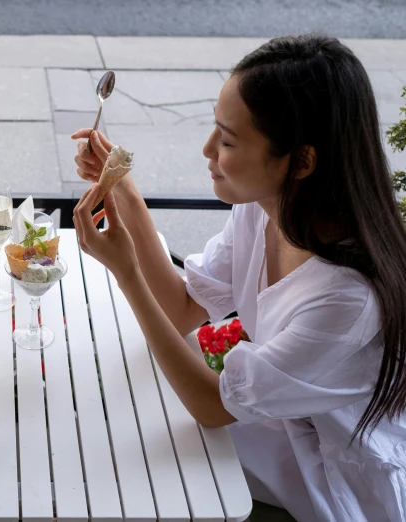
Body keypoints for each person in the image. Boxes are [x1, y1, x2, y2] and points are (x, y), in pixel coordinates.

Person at [72, 34, 406, 522]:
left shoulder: (347, 299)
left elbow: (211, 405)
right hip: (270, 423)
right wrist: (122, 190)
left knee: (123, 469)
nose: (208, 149)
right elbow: (182, 307)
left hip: (326, 477)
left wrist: (126, 273)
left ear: (302, 162)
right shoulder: (265, 211)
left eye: (227, 140)